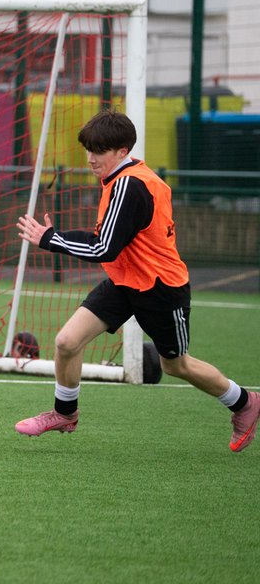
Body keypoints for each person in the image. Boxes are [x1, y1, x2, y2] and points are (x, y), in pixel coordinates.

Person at [14, 109, 259, 452]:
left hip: (160, 288)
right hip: (126, 280)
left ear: (122, 150)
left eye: (99, 150)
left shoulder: (130, 185)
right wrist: (54, 237)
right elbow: (113, 243)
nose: (90, 158)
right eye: (88, 149)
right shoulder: (126, 177)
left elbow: (103, 247)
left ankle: (245, 402)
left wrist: (49, 238)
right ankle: (64, 413)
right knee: (67, 341)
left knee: (175, 365)